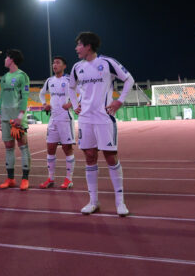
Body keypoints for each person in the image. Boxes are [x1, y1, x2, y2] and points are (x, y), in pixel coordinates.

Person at [69, 32, 134, 216]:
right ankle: (93, 201)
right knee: (90, 157)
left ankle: (120, 202)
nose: (76, 48)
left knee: (110, 157)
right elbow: (71, 87)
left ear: (88, 46)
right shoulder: (77, 67)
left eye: (79, 45)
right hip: (85, 119)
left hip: (104, 118)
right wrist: (74, 104)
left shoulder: (107, 62)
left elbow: (129, 79)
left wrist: (119, 101)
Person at [38, 56, 79, 190]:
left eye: (57, 63)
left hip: (65, 119)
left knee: (67, 149)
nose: (54, 65)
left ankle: (69, 179)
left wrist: (71, 104)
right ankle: (50, 178)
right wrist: (44, 104)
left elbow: (82, 93)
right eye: (53, 63)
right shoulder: (49, 81)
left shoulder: (69, 80)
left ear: (64, 66)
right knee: (50, 148)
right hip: (53, 119)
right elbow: (41, 94)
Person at [0, 49, 31, 190]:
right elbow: (1, 98)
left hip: (17, 119)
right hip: (5, 118)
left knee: (23, 147)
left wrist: (20, 117)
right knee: (9, 148)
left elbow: (25, 97)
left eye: (6, 57)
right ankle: (10, 179)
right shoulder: (4, 77)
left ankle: (25, 179)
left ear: (11, 59)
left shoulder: (22, 76)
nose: (5, 60)